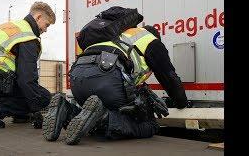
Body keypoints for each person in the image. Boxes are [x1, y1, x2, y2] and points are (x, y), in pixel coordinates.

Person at [42, 8, 188, 145]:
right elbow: (169, 77)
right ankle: (103, 118)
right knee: (149, 125)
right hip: (106, 80)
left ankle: (65, 108)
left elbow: (132, 78)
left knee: (91, 112)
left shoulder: (117, 35)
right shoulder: (151, 41)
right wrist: (181, 102)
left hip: (77, 79)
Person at [0, 1, 56, 128]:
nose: (46, 30)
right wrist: (36, 110)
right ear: (38, 17)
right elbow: (27, 80)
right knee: (44, 96)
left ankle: (20, 115)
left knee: (28, 91)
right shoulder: (28, 38)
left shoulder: (10, 26)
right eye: (46, 24)